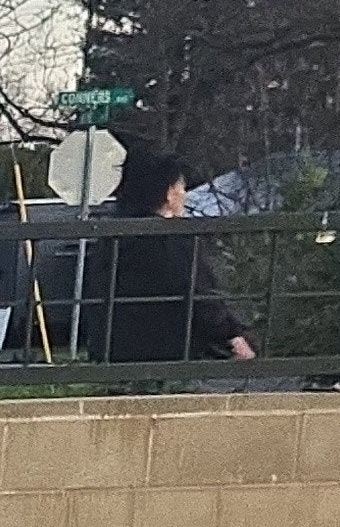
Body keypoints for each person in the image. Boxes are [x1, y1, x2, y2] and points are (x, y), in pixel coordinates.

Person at [83, 148, 258, 366]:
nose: (184, 195)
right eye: (181, 187)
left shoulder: (111, 237)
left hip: (112, 349)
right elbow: (198, 294)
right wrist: (233, 335)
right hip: (170, 354)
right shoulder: (171, 240)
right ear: (168, 193)